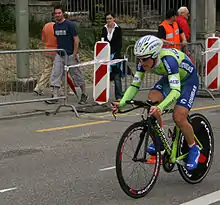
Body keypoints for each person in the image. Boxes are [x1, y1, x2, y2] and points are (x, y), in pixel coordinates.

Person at [112, 35, 200, 171]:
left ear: (154, 55)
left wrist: (160, 107)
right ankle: (159, 141)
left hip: (188, 81)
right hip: (170, 78)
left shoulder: (169, 60)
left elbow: (176, 91)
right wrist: (122, 102)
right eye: (139, 59)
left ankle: (193, 148)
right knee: (151, 100)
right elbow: (135, 86)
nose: (141, 63)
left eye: (145, 59)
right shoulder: (144, 62)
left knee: (179, 116)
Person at [45, 4, 88, 104]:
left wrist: (75, 53)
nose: (57, 15)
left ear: (63, 13)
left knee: (76, 75)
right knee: (55, 74)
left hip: (70, 54)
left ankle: (84, 94)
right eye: (56, 13)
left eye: (59, 13)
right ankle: (55, 96)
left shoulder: (70, 25)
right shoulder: (55, 26)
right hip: (60, 54)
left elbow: (76, 40)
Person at [101, 12, 123, 102]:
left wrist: (114, 55)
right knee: (104, 76)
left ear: (114, 19)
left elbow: (119, 43)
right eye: (107, 19)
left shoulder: (118, 29)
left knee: (117, 77)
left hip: (115, 55)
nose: (108, 21)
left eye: (110, 18)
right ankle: (102, 96)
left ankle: (119, 96)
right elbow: (102, 40)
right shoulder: (104, 28)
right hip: (105, 55)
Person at [34, 19, 57, 95]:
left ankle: (39, 87)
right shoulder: (58, 27)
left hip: (47, 50)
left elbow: (43, 39)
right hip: (57, 51)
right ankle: (65, 90)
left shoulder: (46, 26)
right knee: (61, 71)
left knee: (47, 70)